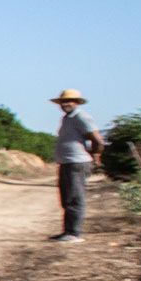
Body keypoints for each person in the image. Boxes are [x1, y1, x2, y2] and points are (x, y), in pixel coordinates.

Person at [48, 88, 104, 242]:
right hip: (67, 162)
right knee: (66, 198)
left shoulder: (82, 117)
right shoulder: (67, 118)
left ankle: (74, 233)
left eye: (69, 101)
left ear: (77, 102)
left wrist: (96, 155)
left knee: (75, 197)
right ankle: (68, 231)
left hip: (77, 162)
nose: (65, 104)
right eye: (63, 101)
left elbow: (98, 140)